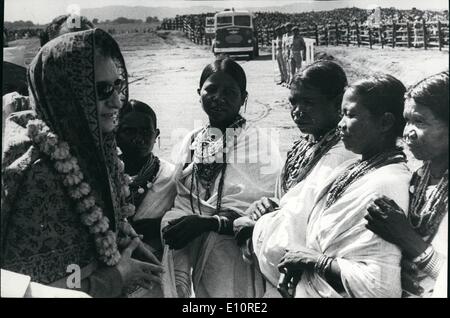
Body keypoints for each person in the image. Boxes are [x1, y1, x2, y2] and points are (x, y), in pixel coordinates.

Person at [1, 29, 163, 298]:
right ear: (66, 94)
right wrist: (118, 276)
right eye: (101, 90)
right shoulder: (38, 173)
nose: (117, 101)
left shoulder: (93, 147)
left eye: (118, 85)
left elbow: (103, 222)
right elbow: (30, 290)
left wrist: (127, 239)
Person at [254, 74, 412, 297]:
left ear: (385, 122)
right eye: (342, 114)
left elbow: (379, 285)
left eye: (350, 115)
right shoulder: (354, 169)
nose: (341, 124)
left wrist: (317, 261)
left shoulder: (386, 184)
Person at [160, 56, 282, 298]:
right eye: (211, 89)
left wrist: (210, 222)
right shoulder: (193, 139)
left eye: (229, 92)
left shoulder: (257, 143)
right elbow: (180, 194)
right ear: (199, 92)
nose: (219, 97)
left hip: (235, 254)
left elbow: (262, 209)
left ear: (243, 98)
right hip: (194, 247)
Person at [234, 60, 357, 297]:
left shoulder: (342, 152)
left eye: (309, 103)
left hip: (316, 271)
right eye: (293, 102)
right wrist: (266, 207)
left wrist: (256, 224)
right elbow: (286, 201)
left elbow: (300, 223)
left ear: (337, 104)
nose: (297, 111)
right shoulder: (306, 144)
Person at [365, 71, 448, 298]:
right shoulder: (419, 177)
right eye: (407, 120)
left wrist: (407, 239)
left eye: (419, 121)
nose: (407, 133)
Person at [117, 99, 177, 257]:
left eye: (145, 132)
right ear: (115, 134)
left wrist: (158, 225)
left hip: (156, 265)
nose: (138, 138)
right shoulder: (102, 176)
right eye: (129, 131)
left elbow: (185, 218)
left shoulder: (171, 176)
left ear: (156, 135)